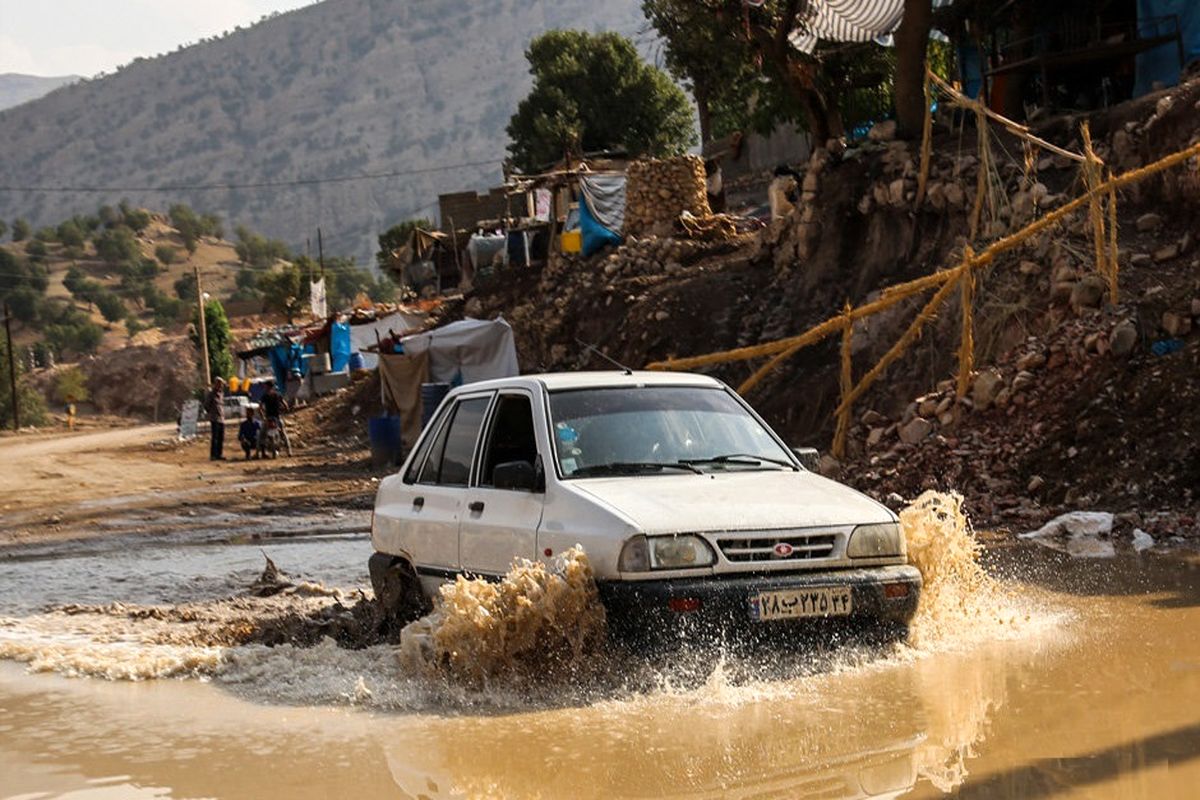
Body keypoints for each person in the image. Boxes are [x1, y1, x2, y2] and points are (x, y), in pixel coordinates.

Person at [257, 379, 292, 457]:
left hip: (268, 418)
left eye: (265, 386)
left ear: (267, 386)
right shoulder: (278, 395)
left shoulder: (264, 396)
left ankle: (258, 453)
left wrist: (262, 416)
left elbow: (259, 408)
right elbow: (286, 406)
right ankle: (289, 451)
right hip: (277, 418)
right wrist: (284, 412)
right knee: (283, 434)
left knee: (261, 435)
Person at [203, 377, 226, 461]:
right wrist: (211, 413)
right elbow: (206, 405)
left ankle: (219, 454)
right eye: (219, 383)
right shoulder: (211, 394)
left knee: (221, 437)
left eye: (221, 384)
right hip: (215, 418)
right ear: (215, 384)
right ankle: (213, 455)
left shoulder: (221, 394)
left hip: (222, 418)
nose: (220, 385)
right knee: (215, 438)